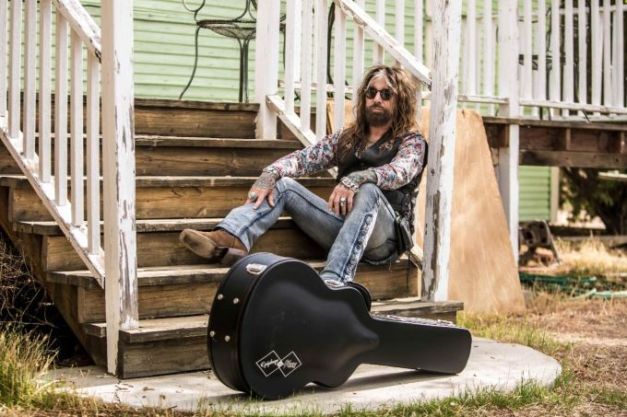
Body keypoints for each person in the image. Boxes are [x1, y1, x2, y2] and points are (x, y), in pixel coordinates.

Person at [179, 65, 427, 284]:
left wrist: (358, 178)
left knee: (369, 190)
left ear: (400, 101)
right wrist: (270, 173)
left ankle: (334, 280)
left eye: (386, 94)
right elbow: (304, 158)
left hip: (383, 240)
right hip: (341, 228)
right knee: (283, 184)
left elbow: (400, 172)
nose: (376, 99)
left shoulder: (411, 142)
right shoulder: (348, 138)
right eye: (371, 93)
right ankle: (232, 236)